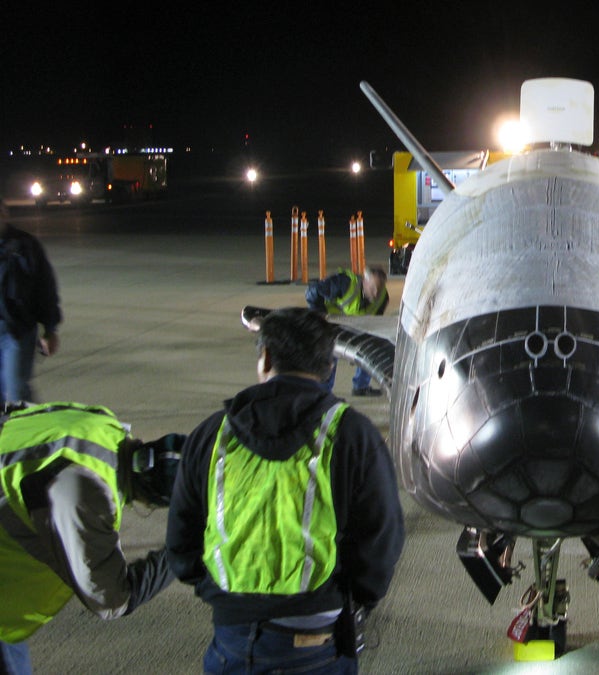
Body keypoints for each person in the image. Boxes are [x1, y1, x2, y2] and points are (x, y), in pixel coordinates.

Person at [166, 307, 405, 674]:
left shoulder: (213, 434)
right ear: (328, 368)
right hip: (317, 637)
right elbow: (382, 540)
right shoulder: (353, 433)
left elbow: (181, 540)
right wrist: (352, 599)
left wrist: (224, 594)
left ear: (265, 358)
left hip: (231, 632)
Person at [0, 401, 180, 675]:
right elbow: (111, 600)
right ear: (156, 501)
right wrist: (181, 551)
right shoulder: (89, 491)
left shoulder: (103, 424)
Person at [0, 198, 63, 404]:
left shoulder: (25, 245)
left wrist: (50, 329)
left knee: (17, 393)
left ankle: (35, 432)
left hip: (17, 332)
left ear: (5, 214)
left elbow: (45, 288)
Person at [305, 266, 389, 396]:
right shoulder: (344, 283)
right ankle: (324, 393)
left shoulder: (383, 298)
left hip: (354, 325)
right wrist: (319, 316)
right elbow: (311, 292)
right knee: (330, 352)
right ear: (364, 282)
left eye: (379, 289)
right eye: (372, 288)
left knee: (371, 345)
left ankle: (360, 387)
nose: (376, 293)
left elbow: (373, 323)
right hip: (331, 322)